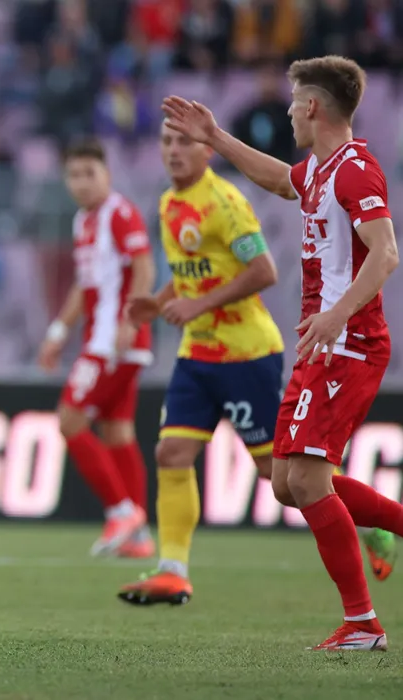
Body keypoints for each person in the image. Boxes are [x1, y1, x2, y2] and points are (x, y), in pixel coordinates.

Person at [160, 55, 403, 651]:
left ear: (312, 107)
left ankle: (362, 624)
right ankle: (387, 542)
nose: (289, 112)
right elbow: (278, 180)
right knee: (287, 484)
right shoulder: (320, 169)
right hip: (321, 343)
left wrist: (338, 313)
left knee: (310, 482)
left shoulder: (355, 171)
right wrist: (215, 137)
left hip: (349, 343)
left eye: (295, 103)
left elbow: (386, 252)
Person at [116, 118, 285, 607]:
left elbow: (263, 271)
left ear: (207, 150)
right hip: (197, 355)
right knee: (171, 453)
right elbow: (194, 272)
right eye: (166, 141)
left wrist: (198, 306)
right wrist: (158, 301)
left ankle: (371, 521)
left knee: (280, 476)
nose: (173, 150)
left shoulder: (225, 202)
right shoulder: (169, 204)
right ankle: (173, 573)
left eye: (184, 142)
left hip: (245, 353)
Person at [37, 139, 156, 558]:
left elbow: (145, 267)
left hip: (113, 343)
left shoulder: (119, 213)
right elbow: (83, 286)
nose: (82, 182)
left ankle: (121, 511)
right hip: (103, 341)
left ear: (107, 175)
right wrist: (58, 332)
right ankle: (139, 537)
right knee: (116, 431)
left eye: (90, 173)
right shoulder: (82, 221)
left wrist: (130, 320)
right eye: (74, 175)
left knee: (69, 420)